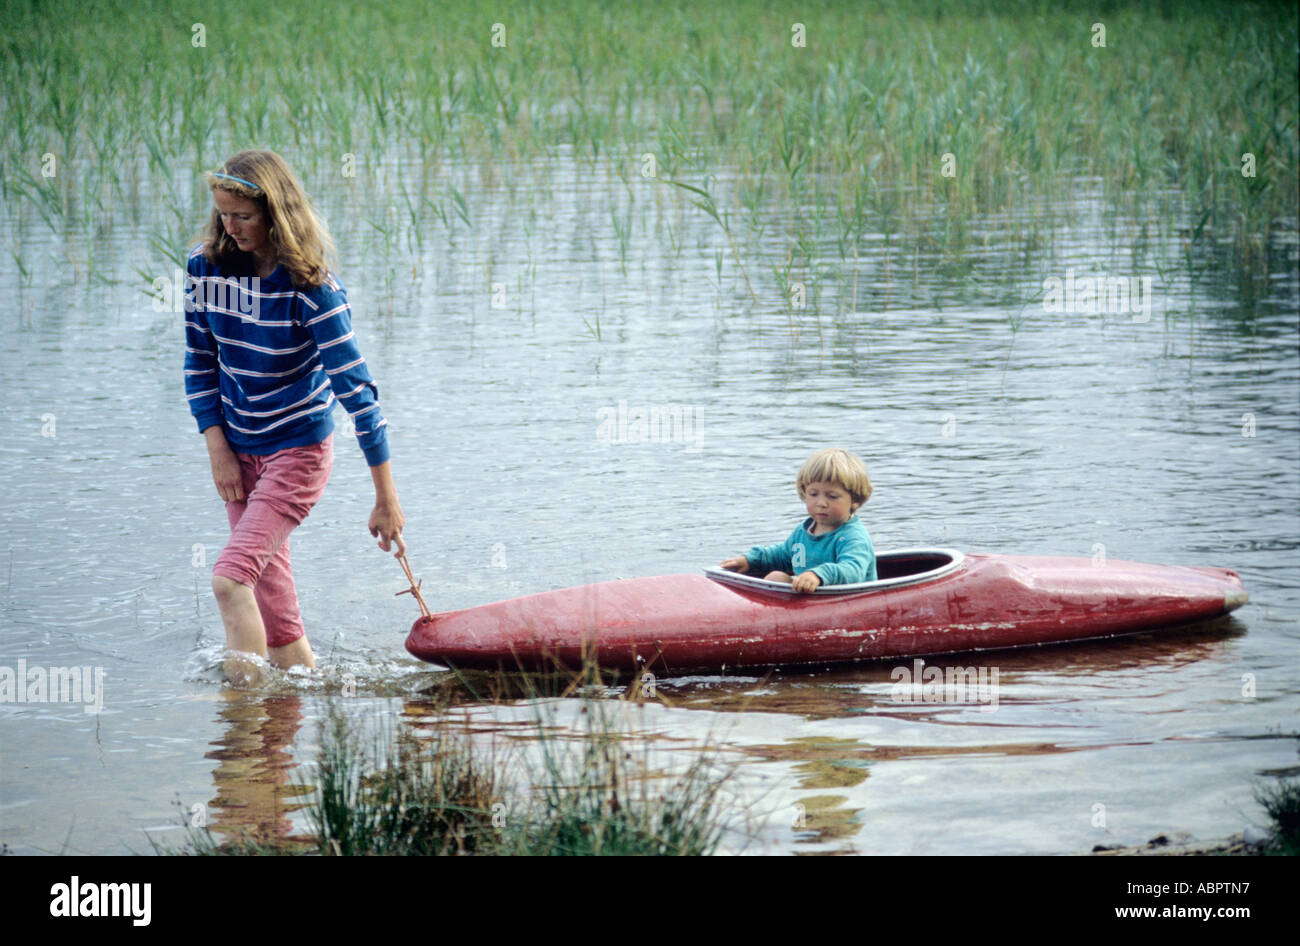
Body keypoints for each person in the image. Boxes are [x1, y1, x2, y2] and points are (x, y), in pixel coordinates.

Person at [183, 149, 405, 684]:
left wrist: (386, 498)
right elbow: (198, 360)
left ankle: (243, 725)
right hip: (238, 451)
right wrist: (218, 448)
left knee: (229, 579)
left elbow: (359, 395)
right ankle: (282, 736)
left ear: (276, 213)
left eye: (243, 216)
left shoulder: (313, 288)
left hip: (298, 453)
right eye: (222, 214)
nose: (229, 227)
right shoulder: (205, 268)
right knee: (273, 612)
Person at [720, 448, 876, 591]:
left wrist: (817, 575)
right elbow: (783, 555)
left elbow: (852, 570)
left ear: (854, 499)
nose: (821, 503)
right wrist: (751, 560)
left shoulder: (854, 536)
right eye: (813, 494)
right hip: (808, 601)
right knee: (776, 577)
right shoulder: (804, 531)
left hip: (848, 600)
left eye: (832, 496)